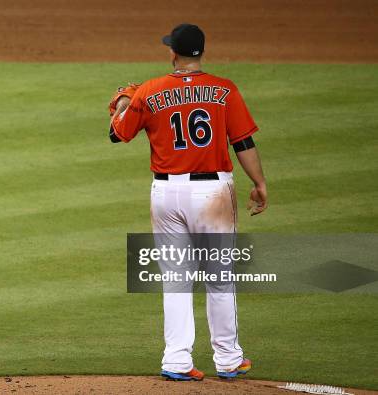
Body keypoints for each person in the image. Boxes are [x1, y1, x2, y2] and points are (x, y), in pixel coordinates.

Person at [108, 23, 267, 381]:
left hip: (166, 195)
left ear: (172, 53)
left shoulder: (149, 91)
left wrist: (122, 102)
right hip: (212, 195)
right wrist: (258, 183)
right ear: (201, 53)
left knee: (176, 279)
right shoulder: (224, 90)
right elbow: (243, 142)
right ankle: (228, 358)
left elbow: (117, 134)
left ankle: (177, 359)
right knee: (219, 278)